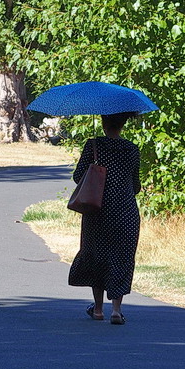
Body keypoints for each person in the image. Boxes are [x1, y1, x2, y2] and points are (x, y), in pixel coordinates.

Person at [68, 111, 141, 325]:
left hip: (96, 210)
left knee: (96, 255)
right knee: (121, 257)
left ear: (102, 122)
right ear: (124, 124)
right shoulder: (132, 149)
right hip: (125, 212)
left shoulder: (94, 146)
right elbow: (135, 185)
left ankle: (98, 308)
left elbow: (77, 176)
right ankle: (116, 310)